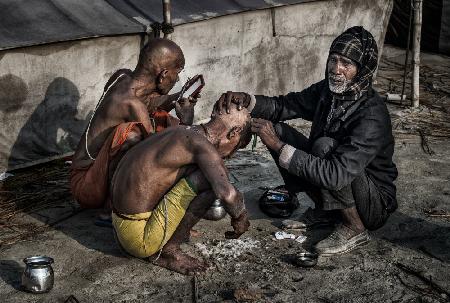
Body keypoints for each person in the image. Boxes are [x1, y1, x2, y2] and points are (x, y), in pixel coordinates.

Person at [215, 26, 398, 256]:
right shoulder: (327, 91)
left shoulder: (371, 115)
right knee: (278, 130)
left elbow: (336, 175)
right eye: (333, 60)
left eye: (346, 64)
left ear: (361, 71)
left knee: (322, 147)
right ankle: (327, 212)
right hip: (341, 182)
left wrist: (279, 147)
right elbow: (285, 105)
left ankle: (354, 226)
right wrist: (248, 100)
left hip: (372, 203)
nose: (336, 69)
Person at [111, 101, 252, 275]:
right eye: (235, 149)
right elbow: (228, 194)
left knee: (202, 173)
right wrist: (241, 218)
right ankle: (169, 252)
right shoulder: (201, 146)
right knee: (209, 180)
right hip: (140, 239)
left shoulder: (183, 131)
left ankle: (167, 238)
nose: (229, 155)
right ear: (234, 133)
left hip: (120, 224)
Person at [70, 38, 197, 216]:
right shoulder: (132, 105)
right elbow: (157, 156)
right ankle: (113, 208)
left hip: (87, 172)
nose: (177, 79)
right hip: (85, 186)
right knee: (133, 135)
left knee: (161, 120)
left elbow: (148, 101)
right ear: (163, 75)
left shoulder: (122, 76)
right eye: (177, 74)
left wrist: (177, 98)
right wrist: (186, 122)